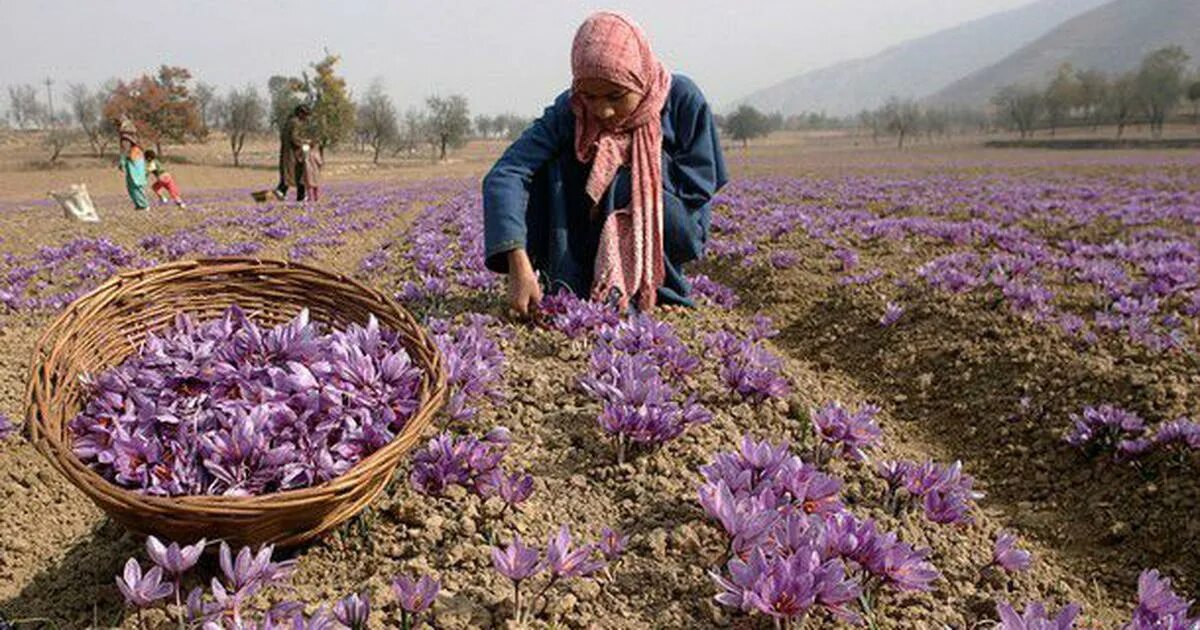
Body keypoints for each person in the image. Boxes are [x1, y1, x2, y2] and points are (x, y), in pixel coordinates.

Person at [482, 11, 727, 317]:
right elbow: (507, 173)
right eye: (590, 96)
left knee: (620, 175)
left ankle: (650, 287)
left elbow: (698, 186)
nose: (603, 110)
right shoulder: (571, 108)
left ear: (639, 78)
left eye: (615, 95)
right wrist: (517, 260)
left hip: (672, 225)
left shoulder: (680, 99)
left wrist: (625, 165)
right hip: (593, 226)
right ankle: (566, 278)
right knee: (551, 165)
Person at [274, 104, 313, 201]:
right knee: (300, 175)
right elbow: (294, 139)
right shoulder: (295, 123)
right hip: (293, 155)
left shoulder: (289, 122)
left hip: (288, 154)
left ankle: (286, 194)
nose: (306, 118)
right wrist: (306, 142)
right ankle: (300, 197)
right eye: (305, 115)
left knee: (289, 177)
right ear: (300, 113)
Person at [117, 119, 149, 211]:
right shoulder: (134, 136)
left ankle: (143, 205)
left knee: (134, 184)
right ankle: (141, 204)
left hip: (133, 160)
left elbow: (124, 150)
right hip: (138, 159)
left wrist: (122, 162)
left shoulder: (126, 137)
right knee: (136, 183)